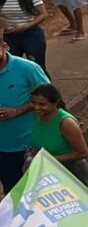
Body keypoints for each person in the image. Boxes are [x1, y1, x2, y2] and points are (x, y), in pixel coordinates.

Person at [28, 83, 88, 227]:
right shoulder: (37, 117)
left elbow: (83, 152)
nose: (37, 108)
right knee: (65, 215)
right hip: (51, 174)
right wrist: (31, 160)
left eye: (43, 104)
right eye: (34, 103)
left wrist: (50, 160)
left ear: (55, 103)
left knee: (80, 219)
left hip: (73, 173)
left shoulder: (65, 123)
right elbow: (37, 145)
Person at [0, 39, 49, 192]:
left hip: (23, 147)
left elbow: (49, 98)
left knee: (25, 194)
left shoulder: (27, 68)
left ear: (5, 47)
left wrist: (17, 111)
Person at [0, 0, 47, 74]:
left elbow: (43, 14)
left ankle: (45, 90)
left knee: (37, 67)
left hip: (31, 34)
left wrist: (25, 26)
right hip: (10, 37)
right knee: (12, 68)